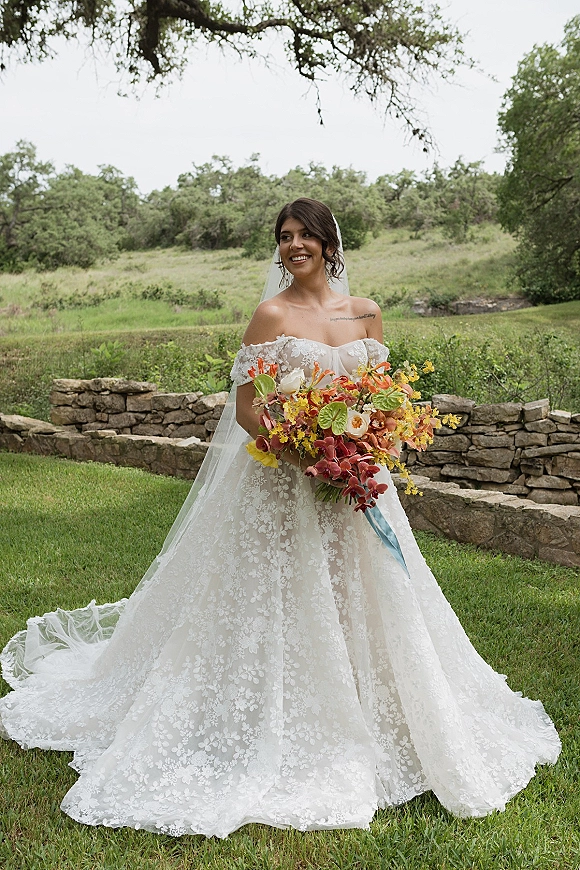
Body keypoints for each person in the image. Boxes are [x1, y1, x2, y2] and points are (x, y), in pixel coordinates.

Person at [0, 198, 560, 838]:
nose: (294, 246)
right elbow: (247, 411)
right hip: (285, 482)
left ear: (329, 242)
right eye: (284, 237)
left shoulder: (368, 313)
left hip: (361, 484)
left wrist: (374, 448)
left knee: (361, 591)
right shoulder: (270, 316)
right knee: (280, 590)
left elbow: (387, 401)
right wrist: (310, 457)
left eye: (304, 236)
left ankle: (375, 702)